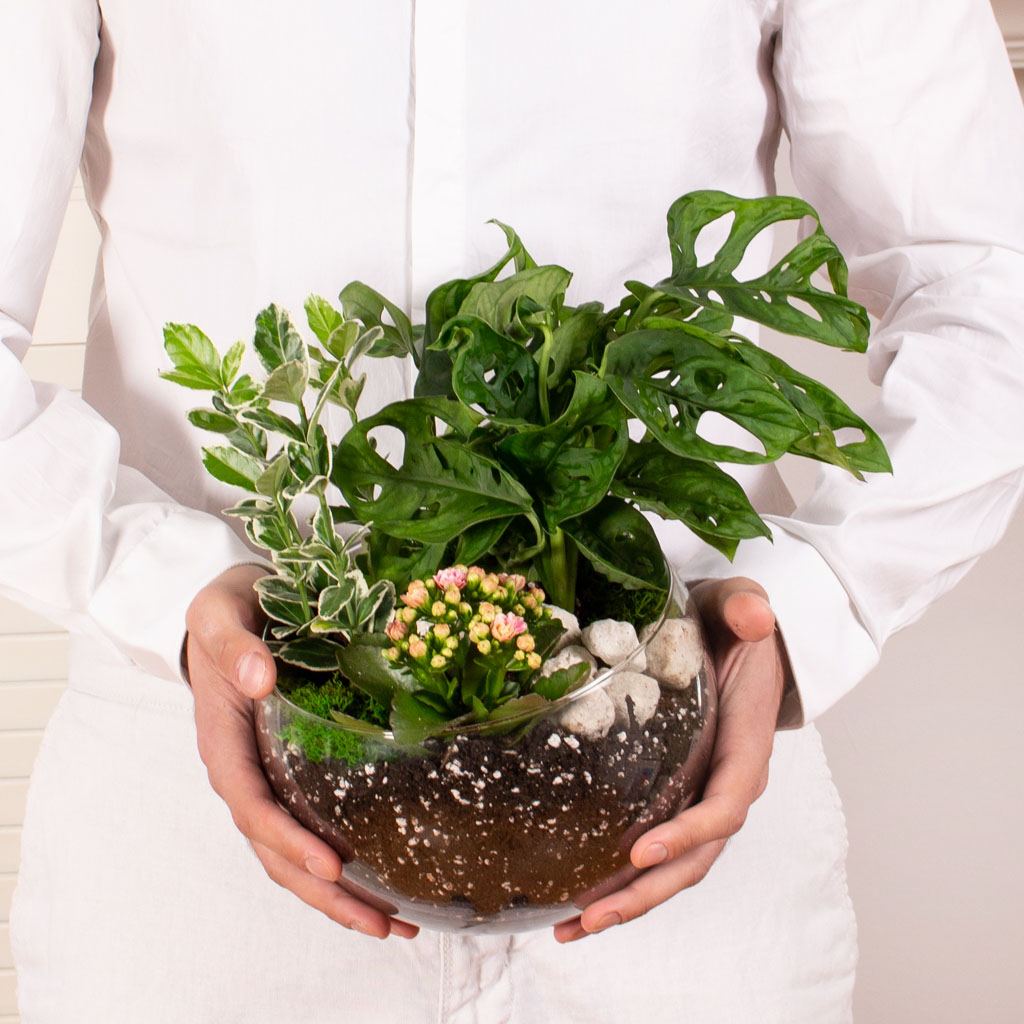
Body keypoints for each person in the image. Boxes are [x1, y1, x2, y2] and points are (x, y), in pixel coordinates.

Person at [3, 1, 1023, 1021]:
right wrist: (153, 586)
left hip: (674, 782)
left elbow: (987, 283)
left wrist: (808, 607)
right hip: (199, 845)